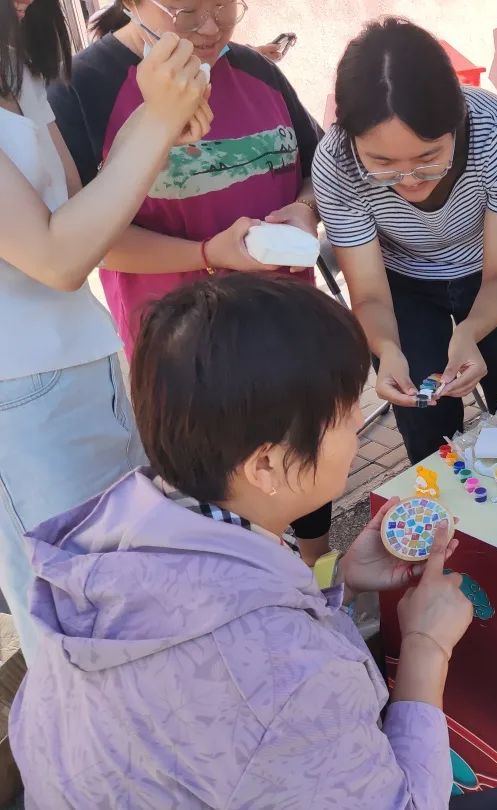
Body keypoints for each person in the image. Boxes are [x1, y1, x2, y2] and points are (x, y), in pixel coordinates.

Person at [10, 273, 497, 810]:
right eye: (346, 412)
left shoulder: (118, 532)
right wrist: (426, 648)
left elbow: (226, 612)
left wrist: (333, 579)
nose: (358, 424)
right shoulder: (284, 676)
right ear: (267, 465)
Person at [50, 0, 333, 564]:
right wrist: (205, 254)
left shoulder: (256, 69)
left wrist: (305, 208)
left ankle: (317, 575)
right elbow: (84, 237)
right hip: (189, 353)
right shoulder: (84, 88)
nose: (211, 27)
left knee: (302, 464)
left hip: (286, 325)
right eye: (186, 11)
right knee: (220, 502)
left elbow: (317, 165)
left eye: (224, 5)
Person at [0, 0, 208, 660]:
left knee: (133, 583)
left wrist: (158, 120)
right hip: (19, 398)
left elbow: (76, 208)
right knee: (77, 621)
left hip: (88, 362)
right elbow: (55, 256)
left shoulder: (19, 63)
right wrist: (157, 120)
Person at [313, 17, 497, 464]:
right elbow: (370, 295)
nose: (409, 180)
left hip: (488, 275)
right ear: (350, 137)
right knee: (425, 424)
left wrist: (471, 332)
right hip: (403, 285)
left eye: (428, 158)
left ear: (457, 122)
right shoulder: (336, 163)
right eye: (382, 164)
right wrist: (386, 349)